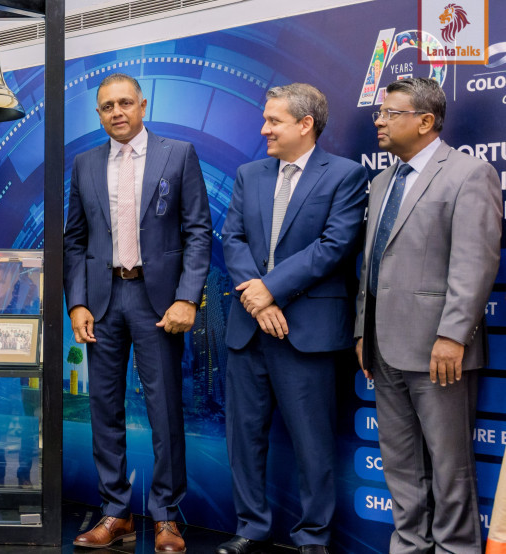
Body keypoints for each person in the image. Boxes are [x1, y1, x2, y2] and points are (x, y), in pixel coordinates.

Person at [63, 72, 211, 552]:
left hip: (157, 302)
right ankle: (115, 512)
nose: (117, 112)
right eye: (107, 106)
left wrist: (188, 297)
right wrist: (78, 302)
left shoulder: (178, 155)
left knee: (164, 409)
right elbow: (75, 240)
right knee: (104, 409)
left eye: (125, 103)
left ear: (143, 105)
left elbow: (197, 232)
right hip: (104, 302)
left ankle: (167, 516)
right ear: (99, 114)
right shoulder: (84, 164)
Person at [218, 83, 367, 554]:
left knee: (313, 442)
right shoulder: (249, 173)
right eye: (265, 119)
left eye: (274, 121)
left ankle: (313, 538)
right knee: (244, 438)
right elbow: (233, 239)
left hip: (308, 332)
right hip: (249, 330)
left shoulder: (345, 176)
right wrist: (259, 300)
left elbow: (334, 247)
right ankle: (250, 528)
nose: (264, 129)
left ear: (306, 125)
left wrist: (271, 289)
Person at [355, 77, 500, 554]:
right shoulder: (381, 182)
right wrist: (362, 329)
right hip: (383, 348)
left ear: (424, 121)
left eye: (389, 113)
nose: (378, 120)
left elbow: (474, 262)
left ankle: (456, 548)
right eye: (379, 112)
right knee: (400, 465)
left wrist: (453, 335)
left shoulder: (468, 174)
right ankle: (409, 546)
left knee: (449, 465)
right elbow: (373, 263)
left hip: (440, 352)